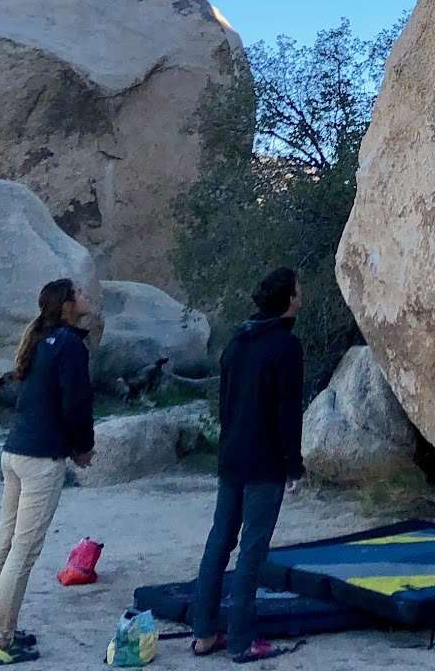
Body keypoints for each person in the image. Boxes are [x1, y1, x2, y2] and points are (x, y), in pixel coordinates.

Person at [188, 267, 305, 663]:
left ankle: (204, 632)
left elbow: (225, 405)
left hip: (232, 457)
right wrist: (294, 465)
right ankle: (241, 639)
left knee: (219, 542)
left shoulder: (237, 341)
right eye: (298, 290)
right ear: (289, 299)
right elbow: (288, 414)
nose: (300, 296)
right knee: (252, 551)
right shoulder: (285, 348)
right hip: (265, 463)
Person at [0, 277, 95, 665]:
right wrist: (83, 448)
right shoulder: (70, 346)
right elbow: (76, 404)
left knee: (5, 542)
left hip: (14, 451)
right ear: (66, 306)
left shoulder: (40, 343)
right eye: (78, 292)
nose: (85, 295)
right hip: (42, 459)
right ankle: (1, 640)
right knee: (23, 551)